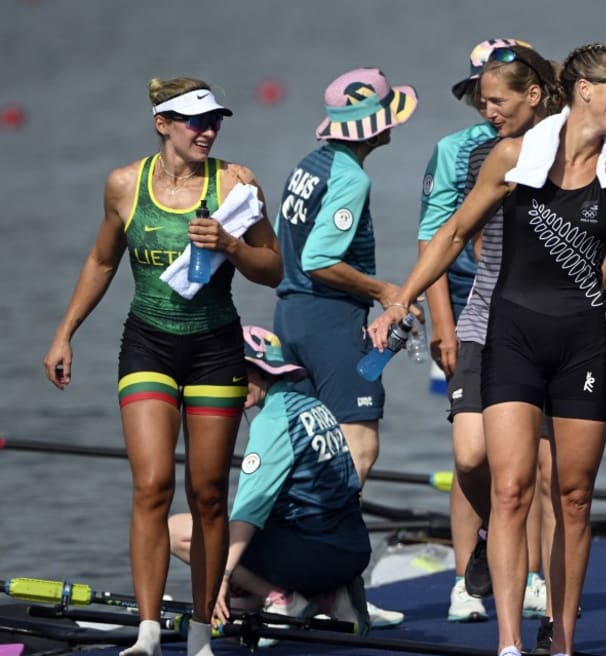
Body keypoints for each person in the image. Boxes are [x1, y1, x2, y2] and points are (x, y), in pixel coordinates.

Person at [368, 42, 606, 656]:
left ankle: (562, 642)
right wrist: (402, 301)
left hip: (581, 344)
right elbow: (453, 233)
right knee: (509, 490)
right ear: (583, 89)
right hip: (510, 336)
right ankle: (508, 643)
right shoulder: (514, 154)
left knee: (576, 499)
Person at [42, 77, 282, 656]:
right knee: (151, 485)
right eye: (195, 121)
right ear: (162, 123)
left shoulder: (236, 183)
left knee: (207, 493)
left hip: (215, 349)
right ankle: (148, 632)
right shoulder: (125, 185)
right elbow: (102, 261)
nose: (208, 131)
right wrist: (64, 332)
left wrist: (231, 245)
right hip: (147, 344)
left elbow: (271, 269)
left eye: (215, 121)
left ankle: (201, 630)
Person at [272, 67, 417, 627]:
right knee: (355, 449)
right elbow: (318, 260)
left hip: (292, 318)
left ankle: (334, 594)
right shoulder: (353, 178)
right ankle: (304, 576)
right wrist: (386, 292)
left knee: (309, 454)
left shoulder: (307, 165)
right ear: (374, 126)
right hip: (330, 321)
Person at [417, 38, 551, 626]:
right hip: (471, 312)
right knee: (471, 458)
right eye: (478, 93)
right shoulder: (456, 152)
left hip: (540, 316)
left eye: (494, 91)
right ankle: (468, 570)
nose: (485, 104)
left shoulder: (555, 143)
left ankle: (537, 576)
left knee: (536, 460)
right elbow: (436, 240)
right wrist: (441, 326)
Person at [168, 325, 371, 634]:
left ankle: (283, 599)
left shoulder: (273, 421)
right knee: (239, 606)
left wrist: (220, 576)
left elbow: (248, 512)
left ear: (253, 372)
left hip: (315, 556)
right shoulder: (312, 405)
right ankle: (330, 594)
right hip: (354, 551)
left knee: (175, 530)